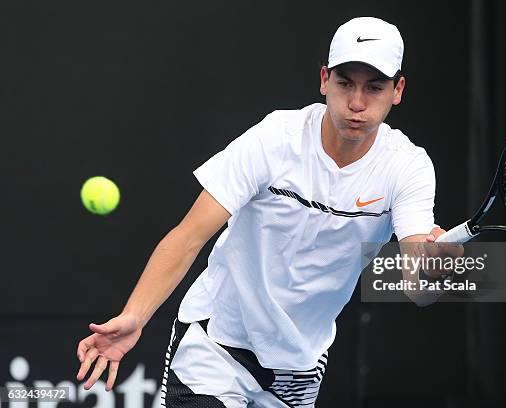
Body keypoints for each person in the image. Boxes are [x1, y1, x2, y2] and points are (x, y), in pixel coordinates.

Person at [75, 16, 460, 407]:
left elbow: (417, 286)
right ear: (324, 80)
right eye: (345, 84)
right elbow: (189, 236)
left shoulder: (407, 166)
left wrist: (434, 267)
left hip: (300, 364)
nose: (357, 104)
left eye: (374, 88)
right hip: (218, 342)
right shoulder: (276, 138)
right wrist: (135, 316)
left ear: (398, 90)